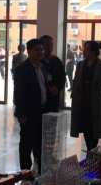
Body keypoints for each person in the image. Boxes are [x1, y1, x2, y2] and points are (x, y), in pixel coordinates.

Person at [70, 41, 101, 151]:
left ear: (93, 52)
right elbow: (76, 80)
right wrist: (73, 93)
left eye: (87, 49)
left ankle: (92, 151)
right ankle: (90, 151)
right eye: (84, 48)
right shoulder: (80, 64)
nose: (84, 51)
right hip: (82, 100)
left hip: (95, 101)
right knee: (85, 126)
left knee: (95, 127)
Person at [14, 39, 49, 173]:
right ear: (28, 52)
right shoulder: (22, 69)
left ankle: (40, 169)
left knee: (39, 142)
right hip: (28, 113)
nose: (41, 52)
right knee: (26, 143)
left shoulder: (43, 67)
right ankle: (25, 171)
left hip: (42, 111)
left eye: (42, 49)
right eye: (37, 50)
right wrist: (22, 114)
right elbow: (19, 93)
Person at [40, 35, 66, 113]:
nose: (50, 47)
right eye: (48, 45)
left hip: (54, 96)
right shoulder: (38, 61)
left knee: (53, 118)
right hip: (40, 97)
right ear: (41, 46)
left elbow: (62, 77)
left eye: (52, 45)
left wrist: (57, 87)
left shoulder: (56, 60)